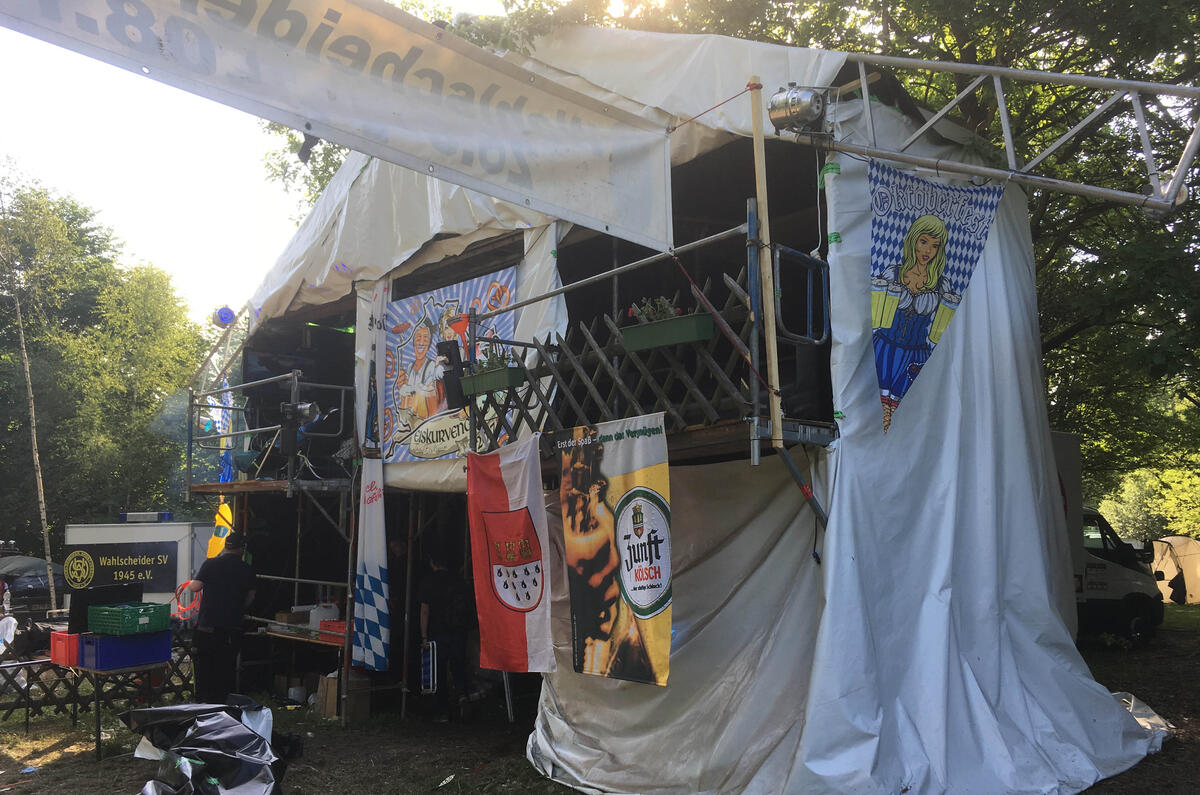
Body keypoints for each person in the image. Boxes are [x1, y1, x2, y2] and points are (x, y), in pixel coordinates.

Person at [870, 214, 958, 431]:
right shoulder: (893, 273)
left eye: (935, 246)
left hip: (917, 353)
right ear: (913, 240)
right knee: (879, 415)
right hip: (884, 348)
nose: (928, 251)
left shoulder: (941, 285)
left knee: (905, 417)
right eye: (924, 241)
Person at [187, 530, 255, 703]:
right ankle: (223, 705)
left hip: (206, 627)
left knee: (203, 670)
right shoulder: (247, 569)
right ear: (242, 549)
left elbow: (194, 587)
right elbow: (250, 598)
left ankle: (202, 705)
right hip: (230, 629)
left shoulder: (210, 564)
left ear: (225, 547)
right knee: (224, 669)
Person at [418, 548, 472, 722]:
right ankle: (463, 696)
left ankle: (443, 711)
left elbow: (424, 611)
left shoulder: (429, 582)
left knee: (439, 672)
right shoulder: (459, 581)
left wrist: (424, 636)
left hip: (437, 632)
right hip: (458, 630)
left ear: (432, 562)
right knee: (458, 667)